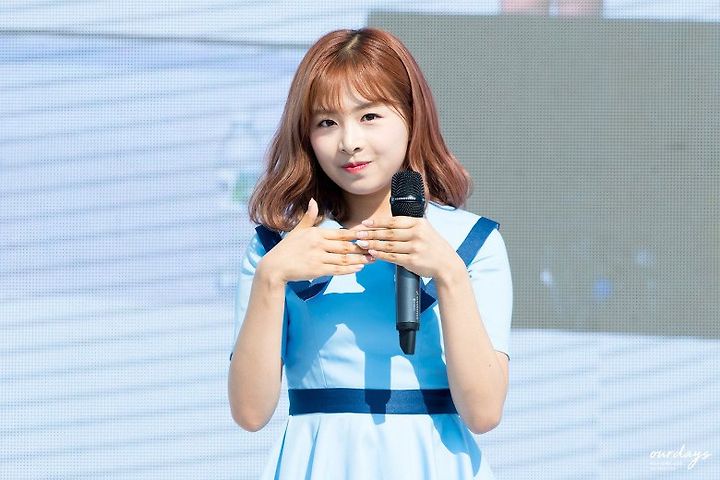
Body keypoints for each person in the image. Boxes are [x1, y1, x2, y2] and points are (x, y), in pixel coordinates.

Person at [228, 27, 513, 479]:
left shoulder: (471, 243)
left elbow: (483, 413)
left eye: (370, 116)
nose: (349, 142)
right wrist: (270, 278)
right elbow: (249, 412)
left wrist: (449, 274)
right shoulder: (278, 247)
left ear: (411, 116)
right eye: (326, 122)